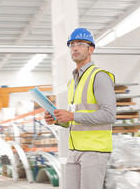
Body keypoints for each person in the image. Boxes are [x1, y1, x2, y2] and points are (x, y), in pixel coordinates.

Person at [44, 27, 116, 189]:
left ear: (91, 49)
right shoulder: (72, 82)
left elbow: (109, 115)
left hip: (95, 151)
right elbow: (75, 117)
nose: (75, 48)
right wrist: (58, 120)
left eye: (80, 44)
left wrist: (72, 116)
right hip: (75, 150)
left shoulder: (100, 76)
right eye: (72, 45)